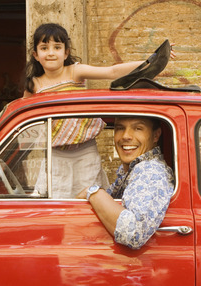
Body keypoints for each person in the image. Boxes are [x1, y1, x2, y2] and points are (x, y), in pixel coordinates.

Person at [23, 23, 159, 199]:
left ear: (66, 53)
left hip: (85, 151)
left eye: (57, 47)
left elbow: (112, 71)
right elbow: (24, 120)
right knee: (56, 201)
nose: (50, 53)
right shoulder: (33, 85)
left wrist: (149, 61)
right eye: (44, 48)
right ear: (36, 55)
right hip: (55, 154)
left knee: (89, 200)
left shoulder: (75, 72)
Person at [78, 116, 174, 250]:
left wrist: (94, 193)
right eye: (120, 128)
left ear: (155, 135)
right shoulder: (134, 170)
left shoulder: (151, 171)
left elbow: (134, 233)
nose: (126, 136)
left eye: (138, 128)